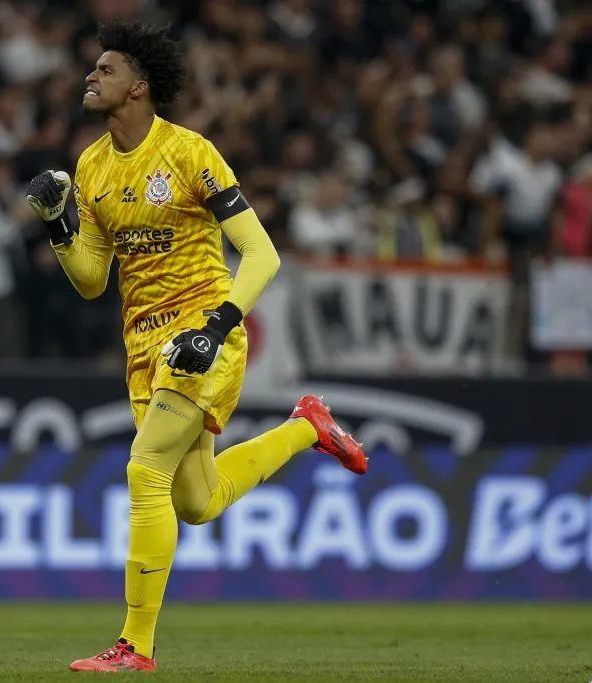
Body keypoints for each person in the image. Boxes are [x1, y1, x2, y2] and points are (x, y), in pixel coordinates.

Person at [25, 21, 369, 673]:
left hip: (202, 330)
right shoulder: (92, 167)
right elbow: (93, 280)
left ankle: (135, 645)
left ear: (139, 86)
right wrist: (59, 225)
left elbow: (262, 253)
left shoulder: (188, 153)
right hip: (141, 343)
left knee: (143, 468)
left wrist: (216, 327)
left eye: (106, 69)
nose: (91, 77)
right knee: (194, 501)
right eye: (92, 68)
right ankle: (305, 427)